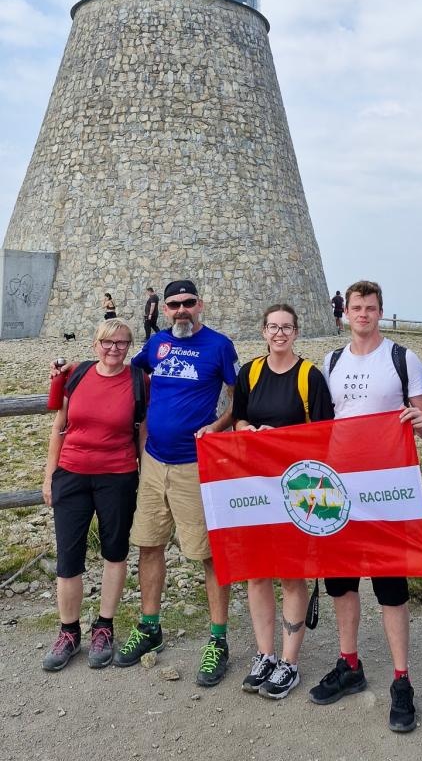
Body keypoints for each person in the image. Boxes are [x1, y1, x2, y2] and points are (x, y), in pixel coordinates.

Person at [309, 279, 422, 732]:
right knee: (341, 582)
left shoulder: (403, 358)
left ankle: (402, 680)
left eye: (371, 307)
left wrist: (421, 422)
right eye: (357, 307)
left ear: (381, 311)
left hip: (386, 491)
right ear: (346, 313)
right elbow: (322, 424)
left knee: (390, 584)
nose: (363, 314)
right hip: (340, 491)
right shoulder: (332, 361)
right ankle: (350, 664)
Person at [114, 280, 239, 687]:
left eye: (188, 303)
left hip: (193, 464)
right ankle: (150, 627)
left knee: (208, 553)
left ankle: (218, 640)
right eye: (174, 304)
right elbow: (125, 374)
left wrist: (217, 427)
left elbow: (239, 395)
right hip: (154, 463)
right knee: (149, 545)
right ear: (164, 309)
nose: (182, 310)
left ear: (199, 304)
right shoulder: (156, 346)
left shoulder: (219, 345)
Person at [233, 303, 334, 699]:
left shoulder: (310, 377)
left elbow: (325, 434)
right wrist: (250, 430)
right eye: (273, 327)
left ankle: (289, 661)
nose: (279, 334)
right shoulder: (250, 372)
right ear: (263, 331)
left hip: (296, 490)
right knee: (257, 572)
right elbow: (238, 418)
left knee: (292, 573)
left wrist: (284, 441)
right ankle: (264, 654)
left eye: (286, 327)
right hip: (256, 487)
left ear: (296, 332)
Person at [41, 319, 146, 672]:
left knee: (114, 552)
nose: (114, 348)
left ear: (130, 346)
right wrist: (49, 477)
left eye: (121, 343)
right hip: (71, 474)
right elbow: (59, 426)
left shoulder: (137, 382)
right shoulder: (78, 374)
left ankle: (104, 627)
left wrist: (144, 476)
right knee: (68, 556)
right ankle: (68, 632)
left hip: (116, 476)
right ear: (95, 344)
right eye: (107, 342)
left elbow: (142, 436)